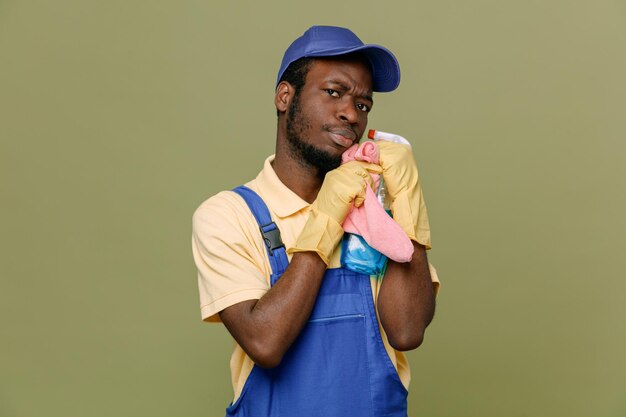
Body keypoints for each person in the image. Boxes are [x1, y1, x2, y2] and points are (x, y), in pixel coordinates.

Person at [192, 25, 440, 417]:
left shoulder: (376, 216)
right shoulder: (229, 215)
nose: (350, 113)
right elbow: (265, 342)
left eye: (363, 104)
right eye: (334, 92)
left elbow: (407, 332)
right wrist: (327, 215)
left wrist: (406, 206)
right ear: (284, 97)